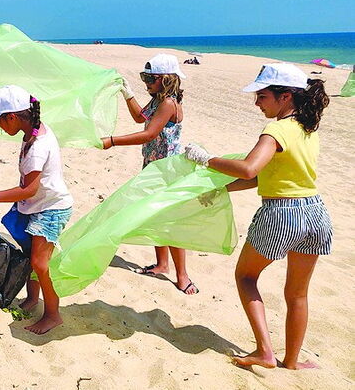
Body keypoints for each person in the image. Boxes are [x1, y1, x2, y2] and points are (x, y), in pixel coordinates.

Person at [184, 64, 331, 370]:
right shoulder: (307, 129)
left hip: (282, 214)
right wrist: (223, 190)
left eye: (262, 96)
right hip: (316, 212)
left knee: (245, 276)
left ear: (285, 96)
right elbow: (264, 176)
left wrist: (206, 159)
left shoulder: (276, 130)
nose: (257, 103)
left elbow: (250, 168)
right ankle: (291, 361)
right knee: (298, 293)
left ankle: (265, 351)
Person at [0, 85, 72, 334]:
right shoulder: (32, 130)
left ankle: (52, 314)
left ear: (12, 117)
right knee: (31, 255)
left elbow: (29, 189)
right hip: (36, 205)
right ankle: (31, 300)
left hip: (51, 208)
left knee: (40, 264)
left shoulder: (38, 145)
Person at [100, 54, 198, 295]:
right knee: (155, 217)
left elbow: (149, 134)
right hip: (153, 166)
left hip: (168, 170)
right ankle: (162, 264)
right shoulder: (157, 101)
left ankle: (182, 275)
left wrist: (112, 141)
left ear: (165, 79)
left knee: (170, 221)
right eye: (144, 78)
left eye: (150, 78)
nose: (146, 83)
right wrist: (127, 93)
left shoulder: (168, 104)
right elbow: (139, 118)